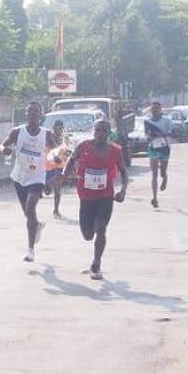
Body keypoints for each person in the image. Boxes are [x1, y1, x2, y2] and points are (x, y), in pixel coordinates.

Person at [64, 117, 127, 280]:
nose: (100, 133)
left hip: (105, 195)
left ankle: (96, 262)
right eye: (97, 130)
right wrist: (64, 175)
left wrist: (123, 191)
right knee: (87, 234)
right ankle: (92, 237)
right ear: (94, 131)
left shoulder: (115, 150)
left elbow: (124, 172)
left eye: (104, 131)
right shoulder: (84, 146)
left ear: (109, 133)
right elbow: (71, 162)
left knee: (101, 227)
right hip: (86, 195)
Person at [0, 101, 54, 262]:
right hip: (19, 177)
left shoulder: (46, 134)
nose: (32, 114)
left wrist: (52, 178)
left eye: (35, 111)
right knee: (28, 213)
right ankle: (36, 225)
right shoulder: (17, 132)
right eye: (29, 111)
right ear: (26, 114)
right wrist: (5, 150)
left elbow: (56, 153)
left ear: (40, 115)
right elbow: (3, 145)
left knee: (30, 208)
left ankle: (30, 249)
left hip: (37, 177)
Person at [142, 100, 173, 208]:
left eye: (156, 108)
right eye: (153, 108)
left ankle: (165, 178)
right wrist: (150, 137)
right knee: (154, 173)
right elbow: (146, 134)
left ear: (160, 110)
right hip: (153, 148)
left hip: (164, 148)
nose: (154, 110)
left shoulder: (167, 121)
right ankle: (155, 198)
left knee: (162, 172)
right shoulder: (147, 122)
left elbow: (172, 132)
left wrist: (163, 134)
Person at [46, 119, 70, 217]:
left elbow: (68, 150)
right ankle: (47, 185)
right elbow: (48, 147)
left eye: (61, 128)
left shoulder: (65, 137)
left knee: (57, 189)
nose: (59, 130)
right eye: (57, 128)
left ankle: (56, 210)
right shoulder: (49, 137)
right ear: (54, 128)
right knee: (48, 187)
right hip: (49, 164)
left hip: (60, 165)